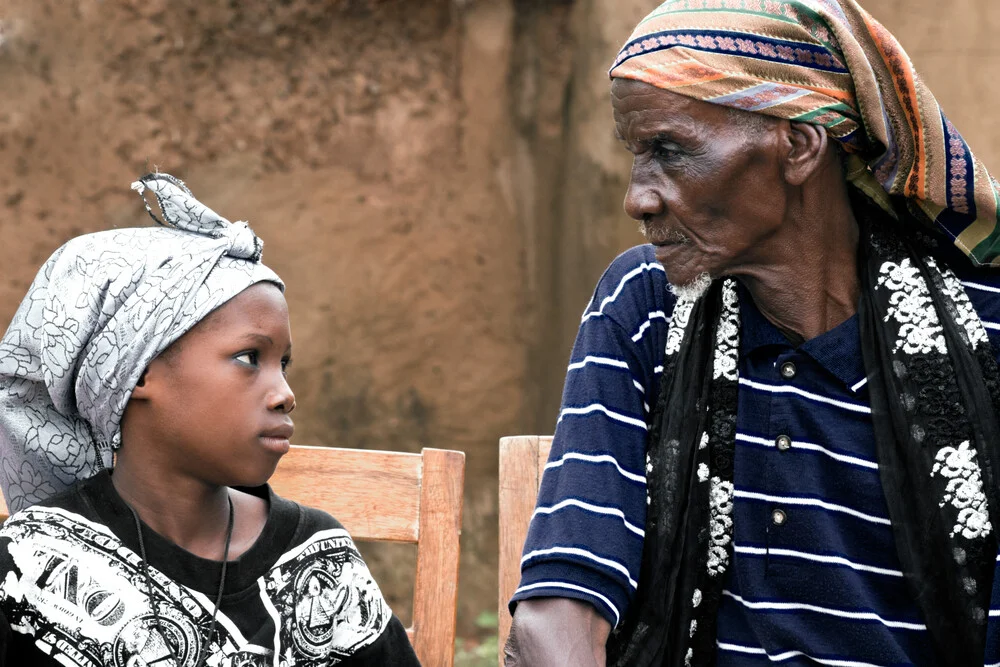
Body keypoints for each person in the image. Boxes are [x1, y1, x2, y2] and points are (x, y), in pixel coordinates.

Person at [506, 1, 1000, 665]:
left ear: (797, 144)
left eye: (668, 152)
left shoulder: (980, 333)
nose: (638, 197)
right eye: (636, 154)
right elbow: (560, 604)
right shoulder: (647, 306)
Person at [0, 173, 421, 666]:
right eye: (249, 358)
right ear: (138, 374)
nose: (285, 394)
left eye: (282, 364)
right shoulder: (32, 567)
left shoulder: (317, 563)